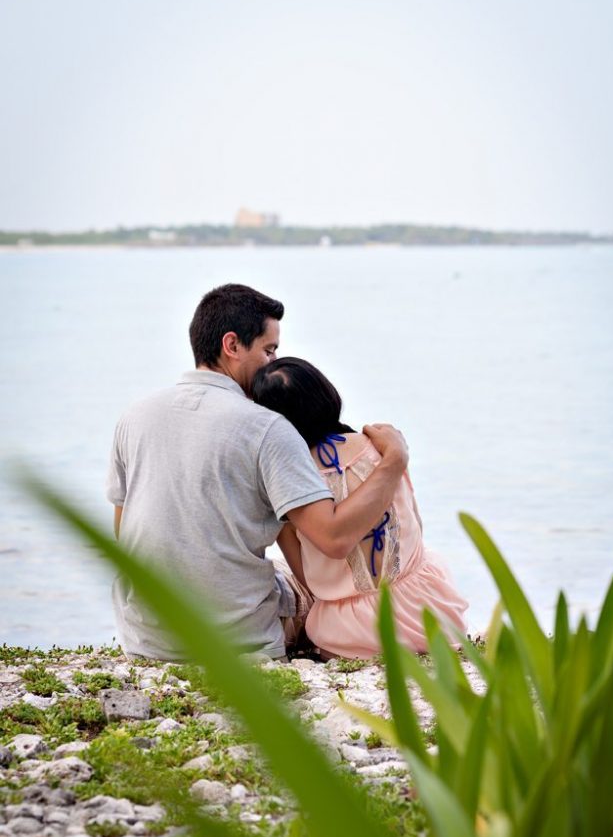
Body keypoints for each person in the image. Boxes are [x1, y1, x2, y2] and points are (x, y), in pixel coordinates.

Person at [107, 283, 408, 661]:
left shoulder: (135, 416)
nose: (272, 363)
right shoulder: (266, 428)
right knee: (322, 593)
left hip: (145, 638)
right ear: (232, 346)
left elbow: (125, 532)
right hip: (237, 642)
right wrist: (394, 459)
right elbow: (334, 538)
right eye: (268, 350)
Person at [251, 357, 468, 658]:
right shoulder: (381, 446)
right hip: (430, 613)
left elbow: (309, 579)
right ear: (327, 394)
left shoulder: (294, 480)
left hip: (352, 631)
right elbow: (415, 525)